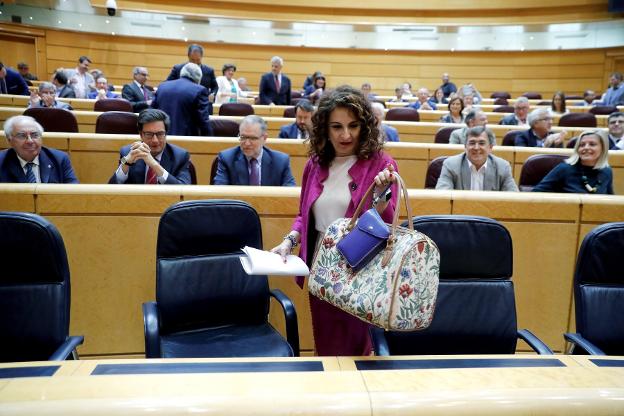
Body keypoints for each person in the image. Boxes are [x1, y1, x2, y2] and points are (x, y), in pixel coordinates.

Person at [271, 85, 399, 356]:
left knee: (357, 348)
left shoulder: (381, 164)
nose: (346, 135)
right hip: (321, 267)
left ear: (364, 126)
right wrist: (289, 240)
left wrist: (381, 199)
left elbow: (387, 225)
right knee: (326, 344)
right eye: (337, 126)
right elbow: (304, 216)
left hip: (361, 269)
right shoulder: (315, 164)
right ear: (324, 129)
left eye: (353, 126)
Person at [108, 109, 192, 185]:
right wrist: (126, 162)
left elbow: (183, 191)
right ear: (141, 135)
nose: (155, 140)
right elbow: (111, 188)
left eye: (160, 134)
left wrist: (153, 164)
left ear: (166, 134)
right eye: (149, 134)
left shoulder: (181, 156)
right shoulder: (127, 152)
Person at [213, 115, 296, 186]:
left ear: (264, 138)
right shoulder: (227, 159)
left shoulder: (280, 161)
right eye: (243, 137)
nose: (247, 143)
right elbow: (220, 194)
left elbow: (289, 195)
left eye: (252, 138)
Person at [436, 126, 518, 192]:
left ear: (490, 147)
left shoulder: (503, 167)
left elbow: (513, 198)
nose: (476, 147)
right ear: (465, 146)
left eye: (481, 143)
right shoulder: (451, 165)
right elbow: (442, 196)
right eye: (472, 143)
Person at [0, 115, 78, 183]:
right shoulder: (2, 161)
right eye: (22, 136)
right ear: (9, 140)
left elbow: (73, 193)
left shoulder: (59, 159)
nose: (30, 141)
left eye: (35, 135)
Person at [533, 130, 613, 194]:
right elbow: (536, 194)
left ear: (603, 148)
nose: (586, 147)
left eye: (592, 144)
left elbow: (610, 201)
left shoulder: (606, 171)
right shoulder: (564, 169)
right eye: (582, 145)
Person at [152, 63, 213, 137]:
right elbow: (203, 120)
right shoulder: (199, 90)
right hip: (186, 139)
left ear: (182, 73)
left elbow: (151, 112)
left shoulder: (162, 86)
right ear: (198, 78)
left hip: (160, 137)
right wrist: (209, 139)